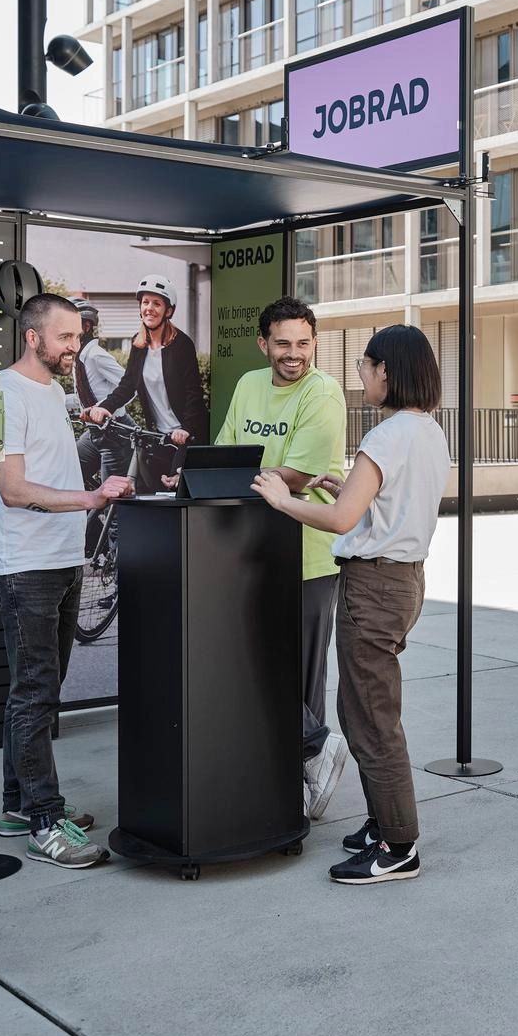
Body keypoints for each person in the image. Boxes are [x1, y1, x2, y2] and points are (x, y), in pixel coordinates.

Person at [254, 325, 449, 886]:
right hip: (405, 580)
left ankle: (398, 845)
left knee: (369, 717)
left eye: (365, 367)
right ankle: (382, 822)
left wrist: (283, 500)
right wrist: (345, 486)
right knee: (368, 711)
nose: (361, 377)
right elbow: (379, 507)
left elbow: (341, 522)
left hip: (373, 587)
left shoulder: (386, 437)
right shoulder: (427, 432)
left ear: (386, 370)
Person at [0, 293, 135, 868]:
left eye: (78, 336)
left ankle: (18, 806)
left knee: (37, 691)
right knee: (36, 692)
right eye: (66, 337)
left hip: (61, 561)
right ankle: (46, 822)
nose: (76, 346)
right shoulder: (0, 396)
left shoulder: (52, 392)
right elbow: (13, 489)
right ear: (32, 337)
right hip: (26, 567)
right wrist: (91, 498)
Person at [217, 296, 350, 821]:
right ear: (263, 344)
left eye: (303, 343)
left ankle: (304, 781)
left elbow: (294, 476)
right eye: (283, 343)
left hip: (307, 556)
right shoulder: (249, 385)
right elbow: (227, 451)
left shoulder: (324, 393)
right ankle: (311, 756)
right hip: (247, 551)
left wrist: (241, 478)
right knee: (255, 664)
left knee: (301, 675)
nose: (293, 354)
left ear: (314, 343)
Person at [88, 275, 207, 490]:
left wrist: (187, 429)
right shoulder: (139, 344)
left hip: (185, 439)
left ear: (168, 311)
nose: (149, 308)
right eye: (145, 302)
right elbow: (127, 385)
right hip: (158, 438)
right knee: (148, 493)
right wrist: (105, 407)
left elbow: (193, 392)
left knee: (176, 494)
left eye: (157, 303)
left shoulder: (182, 344)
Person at [67, 299, 129, 488]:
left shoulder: (96, 355)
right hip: (96, 433)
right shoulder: (79, 358)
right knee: (69, 476)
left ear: (86, 327)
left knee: (113, 500)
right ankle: (86, 517)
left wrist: (103, 407)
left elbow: (131, 387)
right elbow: (83, 398)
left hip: (116, 433)